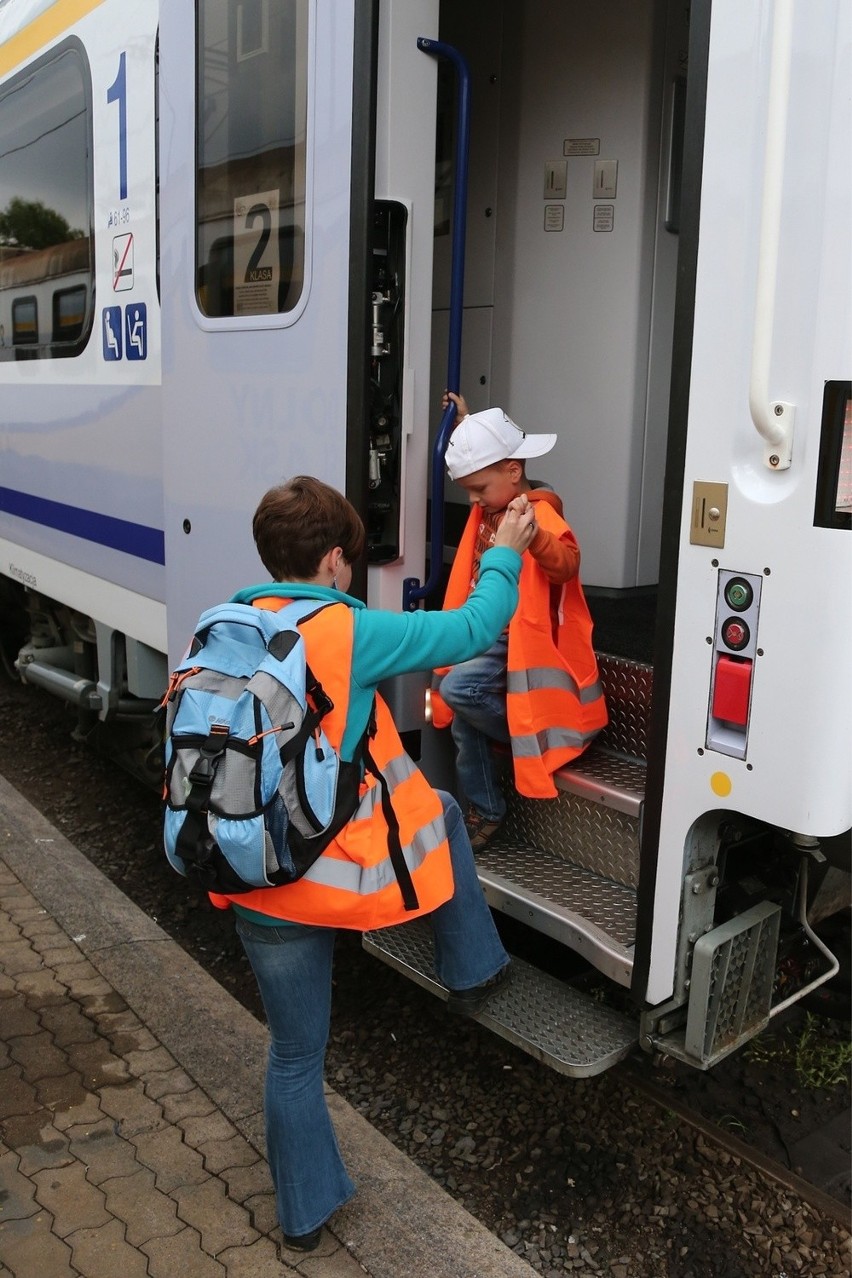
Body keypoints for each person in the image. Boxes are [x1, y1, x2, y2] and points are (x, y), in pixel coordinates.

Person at [206, 474, 537, 1254]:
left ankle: (304, 1218)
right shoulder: (351, 632)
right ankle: (474, 969)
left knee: (293, 1055)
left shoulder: (226, 621)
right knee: (446, 812)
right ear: (331, 561)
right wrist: (507, 553)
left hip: (248, 870)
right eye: (349, 559)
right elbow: (472, 629)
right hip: (326, 870)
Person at [431, 392, 607, 851]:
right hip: (490, 630)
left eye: (478, 490)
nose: (472, 501)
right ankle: (488, 810)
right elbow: (486, 466)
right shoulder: (493, 501)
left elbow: (566, 564)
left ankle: (529, 738)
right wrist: (468, 426)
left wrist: (534, 540)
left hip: (515, 638)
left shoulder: (539, 514)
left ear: (513, 471)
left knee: (458, 692)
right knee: (464, 724)